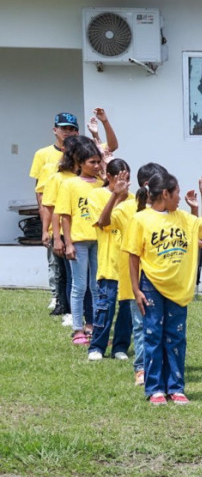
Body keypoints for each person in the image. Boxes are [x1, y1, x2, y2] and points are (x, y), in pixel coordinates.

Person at [125, 170, 202, 405]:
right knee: (153, 335)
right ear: (165, 193)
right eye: (177, 193)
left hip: (178, 287)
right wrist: (136, 289)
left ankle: (176, 387)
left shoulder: (182, 218)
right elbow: (133, 255)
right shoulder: (140, 219)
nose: (179, 198)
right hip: (151, 286)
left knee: (176, 337)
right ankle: (154, 389)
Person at [53, 139, 104, 345]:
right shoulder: (70, 184)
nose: (97, 166)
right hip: (79, 241)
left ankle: (95, 326)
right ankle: (77, 328)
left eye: (99, 162)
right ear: (81, 163)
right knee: (79, 285)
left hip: (99, 241)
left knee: (96, 286)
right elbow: (65, 216)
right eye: (92, 162)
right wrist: (68, 242)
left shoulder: (101, 184)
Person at [31, 112, 79, 315]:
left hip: (77, 223)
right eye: (63, 128)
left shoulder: (82, 157)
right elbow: (41, 194)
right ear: (55, 130)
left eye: (71, 129)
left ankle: (70, 303)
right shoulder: (44, 157)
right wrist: (45, 222)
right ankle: (58, 298)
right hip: (55, 220)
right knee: (56, 264)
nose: (67, 132)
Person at [87, 159, 134, 361]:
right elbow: (102, 222)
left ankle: (120, 347)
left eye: (127, 178)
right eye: (120, 178)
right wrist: (116, 195)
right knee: (105, 308)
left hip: (128, 265)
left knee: (126, 310)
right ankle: (97, 346)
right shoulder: (96, 195)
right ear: (109, 177)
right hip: (109, 263)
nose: (124, 183)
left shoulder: (133, 199)